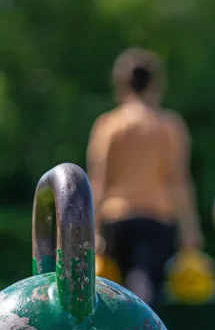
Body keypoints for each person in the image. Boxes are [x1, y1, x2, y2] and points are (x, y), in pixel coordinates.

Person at [87, 48, 203, 308]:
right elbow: (178, 181)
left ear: (120, 83)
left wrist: (92, 230)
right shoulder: (169, 125)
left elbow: (98, 181)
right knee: (146, 287)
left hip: (116, 219)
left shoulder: (108, 125)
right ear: (155, 83)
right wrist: (190, 229)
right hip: (156, 218)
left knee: (113, 295)